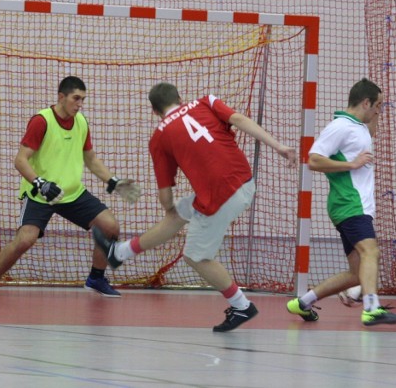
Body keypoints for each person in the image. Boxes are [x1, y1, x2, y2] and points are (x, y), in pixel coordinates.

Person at [92, 82, 297, 332]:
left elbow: (165, 193)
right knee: (180, 213)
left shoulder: (159, 137)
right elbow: (239, 119)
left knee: (196, 256)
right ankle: (119, 253)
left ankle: (241, 305)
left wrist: (167, 208)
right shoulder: (205, 102)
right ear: (180, 97)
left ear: (155, 112)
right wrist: (279, 147)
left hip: (220, 197)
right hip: (244, 181)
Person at [0, 76, 140, 297]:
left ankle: (96, 279)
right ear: (61, 97)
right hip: (40, 194)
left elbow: (90, 158)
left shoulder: (81, 121)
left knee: (110, 226)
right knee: (26, 239)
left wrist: (112, 180)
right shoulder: (41, 121)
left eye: (83, 99)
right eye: (76, 98)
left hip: (72, 194)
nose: (79, 104)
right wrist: (40, 183)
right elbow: (20, 160)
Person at [286, 78, 396, 326]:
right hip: (349, 203)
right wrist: (351, 164)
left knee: (356, 274)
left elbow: (370, 130)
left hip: (355, 206)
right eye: (377, 105)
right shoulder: (340, 126)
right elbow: (314, 160)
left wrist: (378, 107)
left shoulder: (359, 127)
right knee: (371, 251)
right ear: (365, 102)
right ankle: (372, 308)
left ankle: (302, 303)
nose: (379, 110)